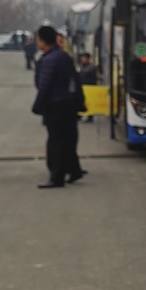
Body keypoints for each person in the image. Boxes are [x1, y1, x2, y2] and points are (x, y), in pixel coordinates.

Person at [32, 25, 87, 188]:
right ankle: (74, 170)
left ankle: (56, 177)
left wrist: (37, 106)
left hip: (55, 106)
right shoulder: (64, 56)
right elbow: (75, 80)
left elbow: (45, 86)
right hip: (69, 104)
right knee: (68, 139)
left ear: (42, 41)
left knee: (55, 142)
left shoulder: (49, 60)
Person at [78, 52, 96, 122]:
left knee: (90, 102)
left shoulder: (91, 68)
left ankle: (90, 116)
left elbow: (93, 78)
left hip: (89, 87)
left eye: (84, 58)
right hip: (82, 87)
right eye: (82, 58)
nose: (82, 59)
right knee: (81, 101)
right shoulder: (80, 67)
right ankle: (80, 115)